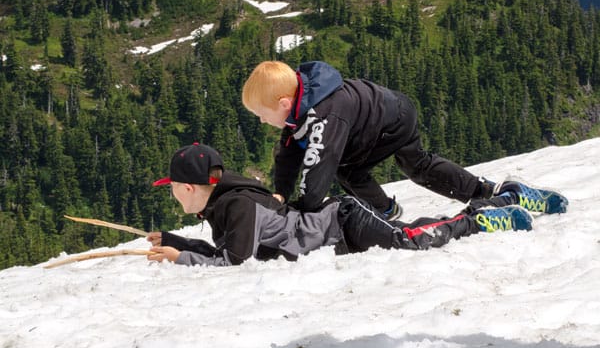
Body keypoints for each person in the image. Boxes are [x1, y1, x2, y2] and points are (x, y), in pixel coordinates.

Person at [241, 59, 568, 221]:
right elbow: (289, 154)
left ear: (284, 103)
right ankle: (492, 192)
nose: (261, 120)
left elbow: (318, 166)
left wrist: (300, 211)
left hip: (391, 121)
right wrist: (281, 194)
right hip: (387, 109)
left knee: (388, 168)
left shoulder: (325, 114)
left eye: (261, 113)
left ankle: (385, 210)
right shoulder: (301, 106)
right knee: (413, 165)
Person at [147, 142, 561, 268]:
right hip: (338, 227)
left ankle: (484, 217)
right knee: (412, 231)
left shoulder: (236, 207)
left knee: (412, 242)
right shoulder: (230, 201)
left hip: (342, 222)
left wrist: (182, 257)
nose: (171, 193)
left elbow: (234, 262)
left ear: (188, 187)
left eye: (172, 187)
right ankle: (507, 197)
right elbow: (228, 250)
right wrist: (174, 241)